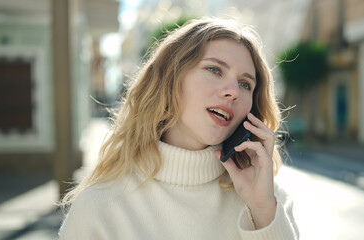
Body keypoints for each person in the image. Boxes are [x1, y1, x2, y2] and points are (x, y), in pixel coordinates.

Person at [59, 17, 299, 239]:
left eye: (245, 84)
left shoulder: (269, 202)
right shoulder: (100, 207)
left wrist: (262, 211)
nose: (233, 91)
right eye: (215, 70)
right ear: (171, 78)